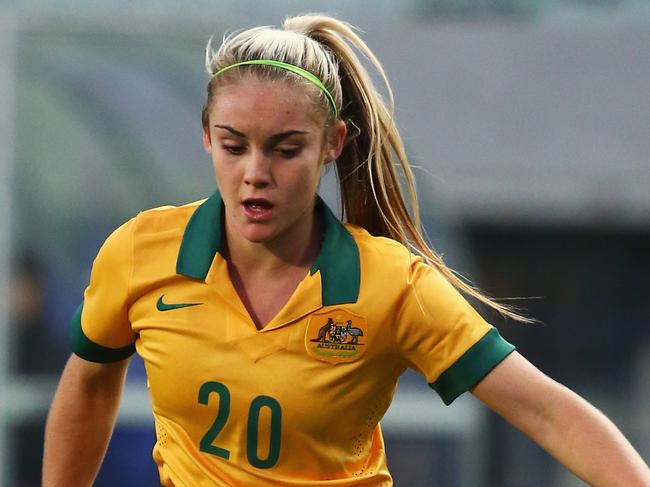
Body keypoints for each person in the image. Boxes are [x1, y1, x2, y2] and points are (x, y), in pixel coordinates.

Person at [43, 13, 650, 487]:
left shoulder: (391, 284)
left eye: (285, 149)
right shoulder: (140, 252)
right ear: (206, 135)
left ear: (332, 143)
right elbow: (90, 385)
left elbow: (547, 412)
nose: (255, 173)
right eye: (234, 146)